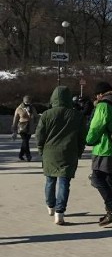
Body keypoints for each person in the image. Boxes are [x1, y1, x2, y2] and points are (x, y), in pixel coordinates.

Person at [34, 86, 86, 225]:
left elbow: (39, 135)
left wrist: (41, 150)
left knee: (50, 180)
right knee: (64, 182)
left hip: (49, 152)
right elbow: (82, 137)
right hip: (69, 151)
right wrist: (79, 151)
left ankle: (50, 206)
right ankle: (60, 212)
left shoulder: (46, 114)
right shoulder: (77, 115)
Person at [86, 81, 112, 226]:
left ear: (100, 94)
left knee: (97, 178)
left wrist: (89, 140)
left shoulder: (104, 105)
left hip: (104, 148)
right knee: (111, 180)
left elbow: (97, 126)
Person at [12, 95, 38, 161]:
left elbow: (36, 117)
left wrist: (36, 124)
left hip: (30, 128)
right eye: (26, 102)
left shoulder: (32, 108)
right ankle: (28, 155)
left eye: (29, 102)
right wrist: (14, 130)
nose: (28, 103)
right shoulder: (19, 108)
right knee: (25, 141)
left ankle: (21, 155)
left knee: (25, 141)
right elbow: (15, 119)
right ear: (24, 101)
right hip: (22, 127)